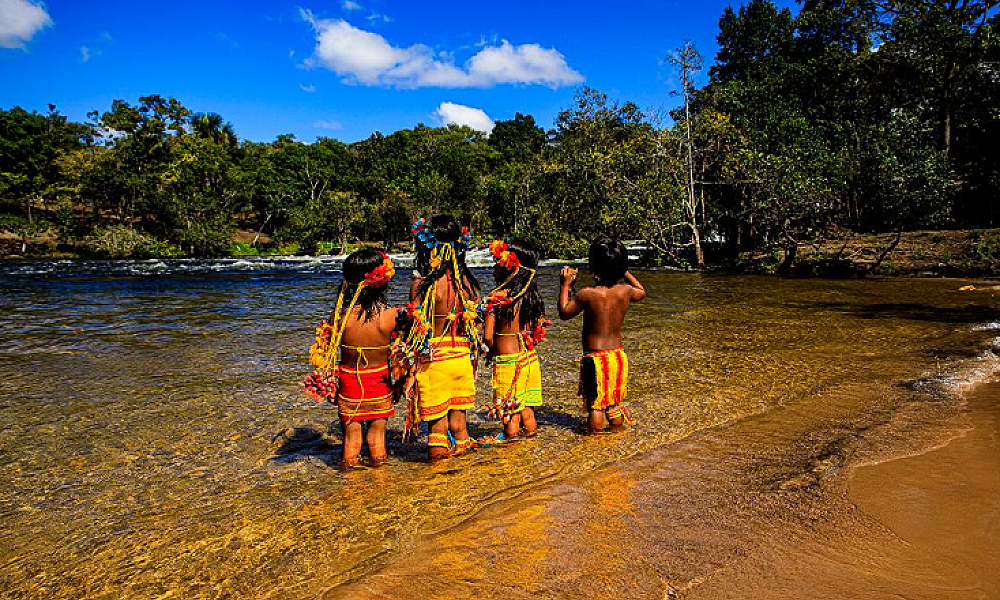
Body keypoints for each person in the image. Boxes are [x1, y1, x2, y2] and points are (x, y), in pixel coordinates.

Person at [304, 249, 400, 470]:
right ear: (383, 281)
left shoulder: (340, 315)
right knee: (377, 439)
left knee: (351, 440)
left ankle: (349, 487)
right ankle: (381, 481)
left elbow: (326, 353)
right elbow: (402, 352)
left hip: (349, 382)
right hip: (379, 381)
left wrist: (327, 385)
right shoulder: (392, 315)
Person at [399, 215, 483, 460]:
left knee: (437, 429)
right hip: (461, 359)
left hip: (434, 360)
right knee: (459, 425)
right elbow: (476, 326)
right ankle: (464, 479)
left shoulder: (423, 284)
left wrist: (410, 372)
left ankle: (438, 482)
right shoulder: (468, 283)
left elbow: (415, 330)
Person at [557, 236, 645, 433]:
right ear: (621, 266)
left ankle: (595, 442)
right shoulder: (626, 291)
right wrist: (624, 271)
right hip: (617, 356)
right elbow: (642, 291)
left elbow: (564, 312)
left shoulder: (587, 294)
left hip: (595, 359)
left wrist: (564, 285)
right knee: (612, 402)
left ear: (593, 266)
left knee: (595, 405)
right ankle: (615, 435)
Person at [483, 239, 548, 439]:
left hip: (508, 362)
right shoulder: (533, 297)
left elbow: (487, 336)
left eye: (498, 262)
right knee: (526, 409)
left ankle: (512, 456)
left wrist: (490, 349)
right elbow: (536, 330)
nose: (495, 267)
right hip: (529, 359)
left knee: (510, 413)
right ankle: (529, 446)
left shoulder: (497, 298)